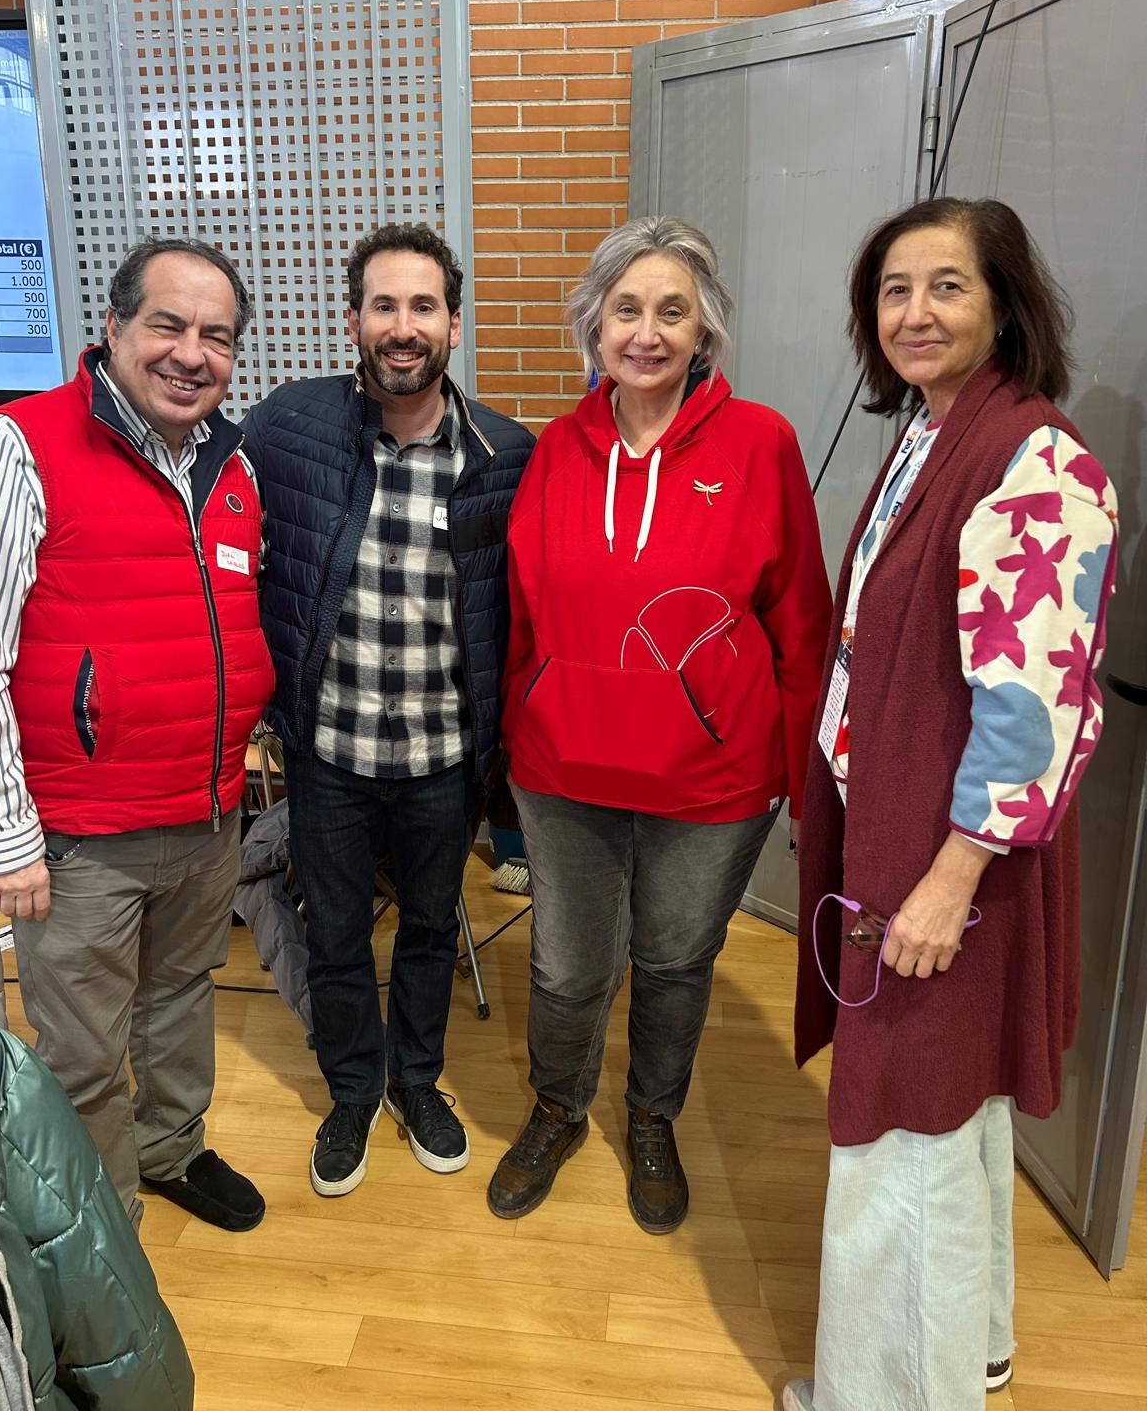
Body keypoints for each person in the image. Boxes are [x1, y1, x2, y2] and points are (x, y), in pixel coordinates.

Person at [783, 198, 1118, 1411]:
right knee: (953, 1125)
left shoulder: (1040, 459)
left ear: (1004, 302)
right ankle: (969, 1359)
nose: (914, 313)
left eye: (947, 287)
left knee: (905, 1142)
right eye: (893, 291)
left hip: (945, 861)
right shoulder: (934, 434)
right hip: (901, 833)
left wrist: (950, 874)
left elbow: (1034, 708)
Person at [489, 216, 832, 1232]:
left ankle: (652, 1116)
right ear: (594, 324)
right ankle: (559, 1106)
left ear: (704, 328)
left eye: (671, 311)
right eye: (626, 309)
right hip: (562, 770)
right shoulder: (556, 448)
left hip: (712, 780)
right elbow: (520, 615)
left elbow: (801, 619)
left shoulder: (760, 442)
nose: (646, 331)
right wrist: (513, 738)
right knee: (565, 965)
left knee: (676, 963)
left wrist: (811, 789)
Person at [0, 236, 275, 1233]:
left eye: (216, 336)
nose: (191, 353)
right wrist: (3, 832)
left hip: (208, 810)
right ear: (114, 327)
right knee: (84, 1046)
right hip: (77, 836)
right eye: (168, 325)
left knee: (179, 999)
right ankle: (103, 1219)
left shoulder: (231, 463)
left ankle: (172, 1148)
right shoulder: (13, 447)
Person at [241, 222, 535, 1196]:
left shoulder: (505, 454)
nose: (401, 327)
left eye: (422, 306)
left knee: (428, 927)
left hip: (447, 758)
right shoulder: (288, 428)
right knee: (333, 933)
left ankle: (416, 1080)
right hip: (330, 753)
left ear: (454, 320)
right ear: (353, 317)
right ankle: (352, 1092)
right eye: (383, 305)